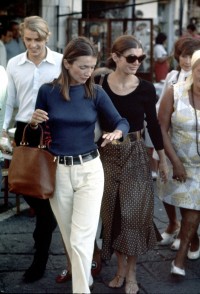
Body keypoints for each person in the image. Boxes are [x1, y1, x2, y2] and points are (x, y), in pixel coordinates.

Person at [29, 36, 129, 294]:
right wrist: (33, 122)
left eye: (91, 67)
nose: (88, 72)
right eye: (83, 66)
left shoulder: (95, 92)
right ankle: (86, 280)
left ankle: (81, 290)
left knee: (81, 238)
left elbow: (121, 122)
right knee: (70, 237)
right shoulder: (47, 92)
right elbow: (35, 133)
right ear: (67, 63)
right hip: (58, 171)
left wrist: (116, 133)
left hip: (90, 170)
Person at [94, 35, 168, 294]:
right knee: (112, 214)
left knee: (134, 216)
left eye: (141, 58)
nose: (137, 62)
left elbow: (154, 125)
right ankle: (120, 268)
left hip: (136, 153)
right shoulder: (98, 83)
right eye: (131, 58)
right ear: (115, 57)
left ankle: (133, 273)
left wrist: (162, 158)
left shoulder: (147, 88)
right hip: (105, 154)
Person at [2, 15, 63, 283]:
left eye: (38, 40)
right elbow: (11, 98)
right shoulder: (15, 63)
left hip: (54, 130)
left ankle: (39, 258)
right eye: (28, 39)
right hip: (25, 130)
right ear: (22, 37)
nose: (33, 45)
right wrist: (4, 128)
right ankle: (45, 227)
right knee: (26, 185)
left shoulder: (61, 62)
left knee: (51, 188)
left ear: (46, 38)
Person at [157, 49, 200, 276]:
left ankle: (180, 259)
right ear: (192, 69)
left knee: (193, 210)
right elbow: (161, 127)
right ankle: (194, 240)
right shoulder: (175, 92)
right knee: (187, 209)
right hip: (179, 162)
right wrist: (174, 161)